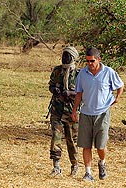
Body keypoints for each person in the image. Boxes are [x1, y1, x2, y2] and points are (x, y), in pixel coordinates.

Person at [71, 47, 124, 182]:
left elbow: (120, 85)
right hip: (86, 113)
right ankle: (88, 173)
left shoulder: (108, 72)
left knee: (100, 146)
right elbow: (79, 93)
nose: (89, 64)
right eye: (87, 61)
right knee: (85, 144)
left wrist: (117, 98)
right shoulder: (82, 74)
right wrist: (74, 110)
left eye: (92, 61)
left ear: (99, 59)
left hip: (102, 113)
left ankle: (102, 162)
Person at [48, 46, 80, 177]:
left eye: (67, 56)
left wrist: (70, 93)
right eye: (63, 55)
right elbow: (50, 85)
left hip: (72, 111)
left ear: (73, 58)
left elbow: (83, 93)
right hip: (57, 109)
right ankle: (56, 167)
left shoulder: (79, 74)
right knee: (56, 137)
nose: (64, 58)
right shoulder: (57, 71)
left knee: (72, 140)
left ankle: (75, 166)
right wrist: (55, 90)